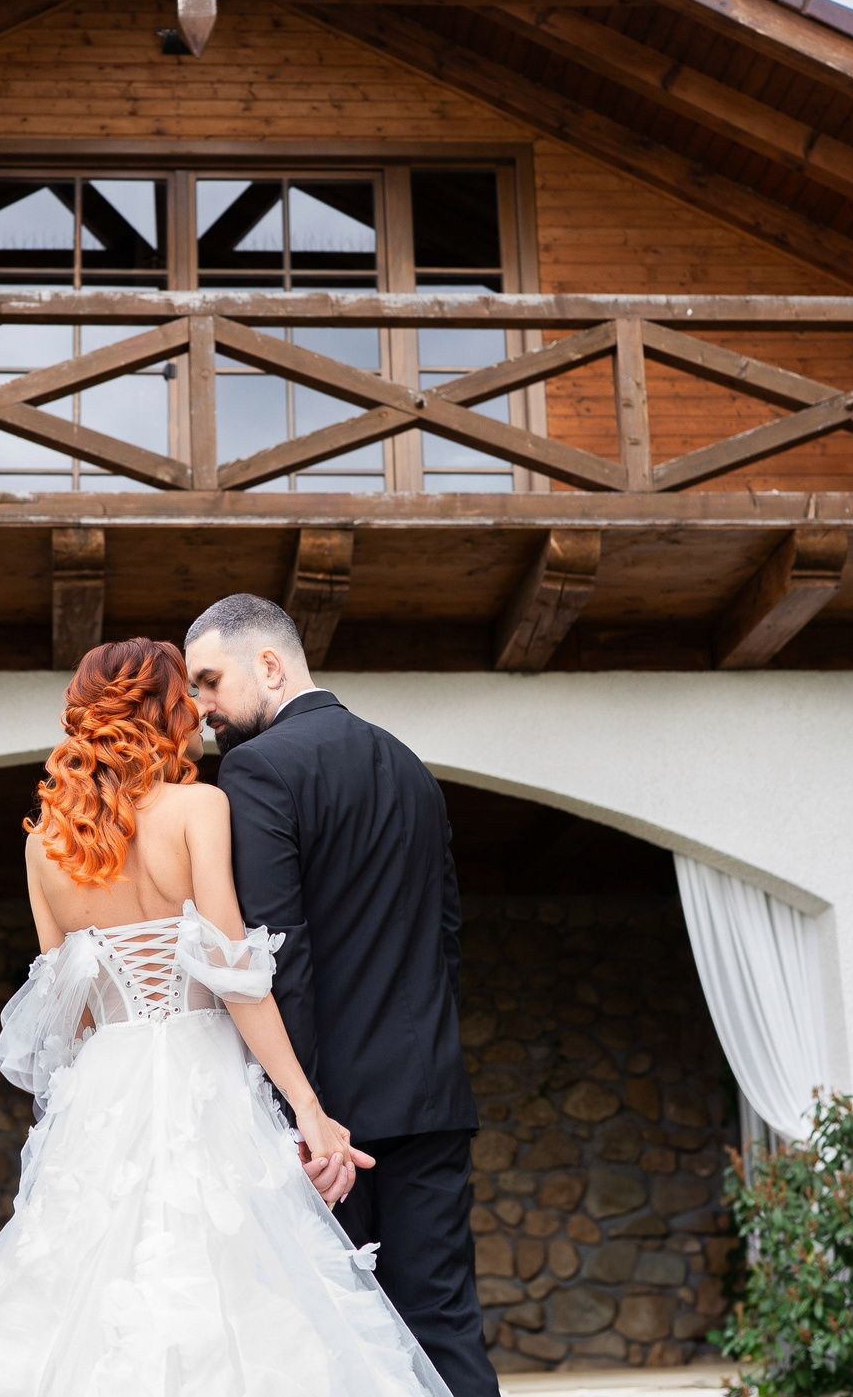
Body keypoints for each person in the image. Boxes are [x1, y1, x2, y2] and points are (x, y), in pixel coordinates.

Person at [0, 637, 450, 1397]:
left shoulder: (45, 846)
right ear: (163, 712)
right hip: (206, 1076)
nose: (200, 715)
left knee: (82, 1291)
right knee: (237, 1285)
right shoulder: (199, 809)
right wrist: (310, 1110)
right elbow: (237, 977)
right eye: (189, 698)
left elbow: (68, 1012)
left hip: (105, 1092)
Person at [182, 595, 495, 1397]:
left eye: (211, 681)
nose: (202, 706)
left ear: (272, 665)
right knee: (446, 1327)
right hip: (432, 1096)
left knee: (336, 1337)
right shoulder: (408, 763)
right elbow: (447, 934)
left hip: (334, 1125)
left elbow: (280, 954)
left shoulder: (257, 768)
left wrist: (302, 1112)